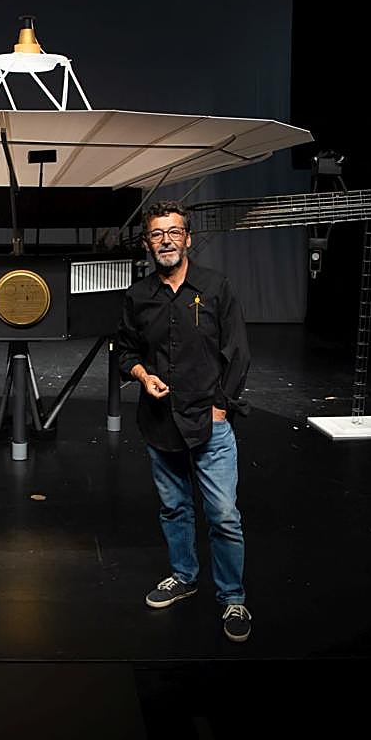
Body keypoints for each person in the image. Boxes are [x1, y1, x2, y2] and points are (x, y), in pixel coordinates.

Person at [115, 201, 252, 642]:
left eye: (174, 232)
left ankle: (232, 597)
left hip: (209, 423)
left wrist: (220, 409)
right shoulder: (138, 296)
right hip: (159, 423)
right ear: (147, 243)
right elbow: (126, 352)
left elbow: (238, 353)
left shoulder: (215, 287)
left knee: (224, 515)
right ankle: (184, 576)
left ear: (188, 239)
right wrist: (142, 375)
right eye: (158, 234)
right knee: (175, 508)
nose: (167, 240)